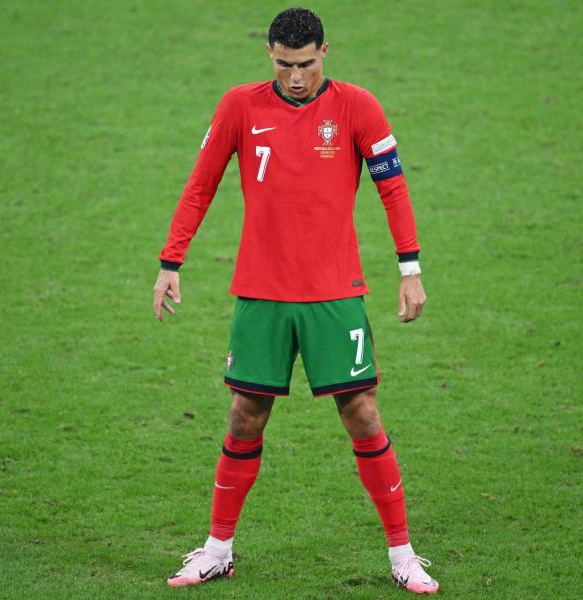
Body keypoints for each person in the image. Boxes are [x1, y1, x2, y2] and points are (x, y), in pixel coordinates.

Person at [155, 7, 438, 595]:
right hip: (260, 294)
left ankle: (403, 554)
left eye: (306, 64)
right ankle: (217, 550)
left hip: (335, 294)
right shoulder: (239, 105)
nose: (296, 77)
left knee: (362, 413)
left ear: (325, 53)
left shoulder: (359, 106)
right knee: (244, 415)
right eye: (285, 65)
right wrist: (170, 261)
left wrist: (409, 269)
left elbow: (394, 187)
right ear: (270, 55)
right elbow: (200, 183)